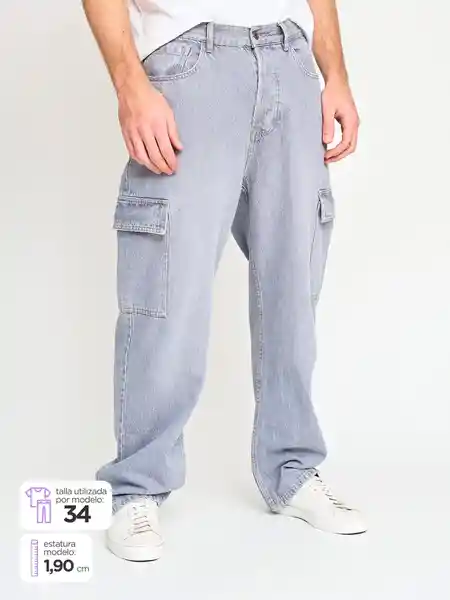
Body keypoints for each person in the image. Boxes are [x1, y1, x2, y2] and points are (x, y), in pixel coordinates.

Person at [82, 0, 366, 562]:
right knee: (168, 289)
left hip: (290, 60)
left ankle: (291, 469)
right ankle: (135, 487)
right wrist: (130, 85)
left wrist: (335, 73)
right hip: (189, 59)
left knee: (293, 286)